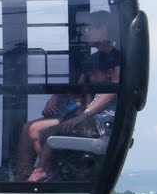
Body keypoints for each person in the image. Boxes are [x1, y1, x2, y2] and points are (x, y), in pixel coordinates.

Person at [26, 52, 119, 182]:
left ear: (109, 73)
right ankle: (50, 170)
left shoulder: (111, 89)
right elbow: (86, 103)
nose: (91, 78)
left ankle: (41, 170)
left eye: (94, 74)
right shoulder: (96, 88)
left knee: (55, 131)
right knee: (40, 130)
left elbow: (92, 111)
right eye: (89, 75)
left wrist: (81, 116)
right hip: (91, 121)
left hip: (101, 126)